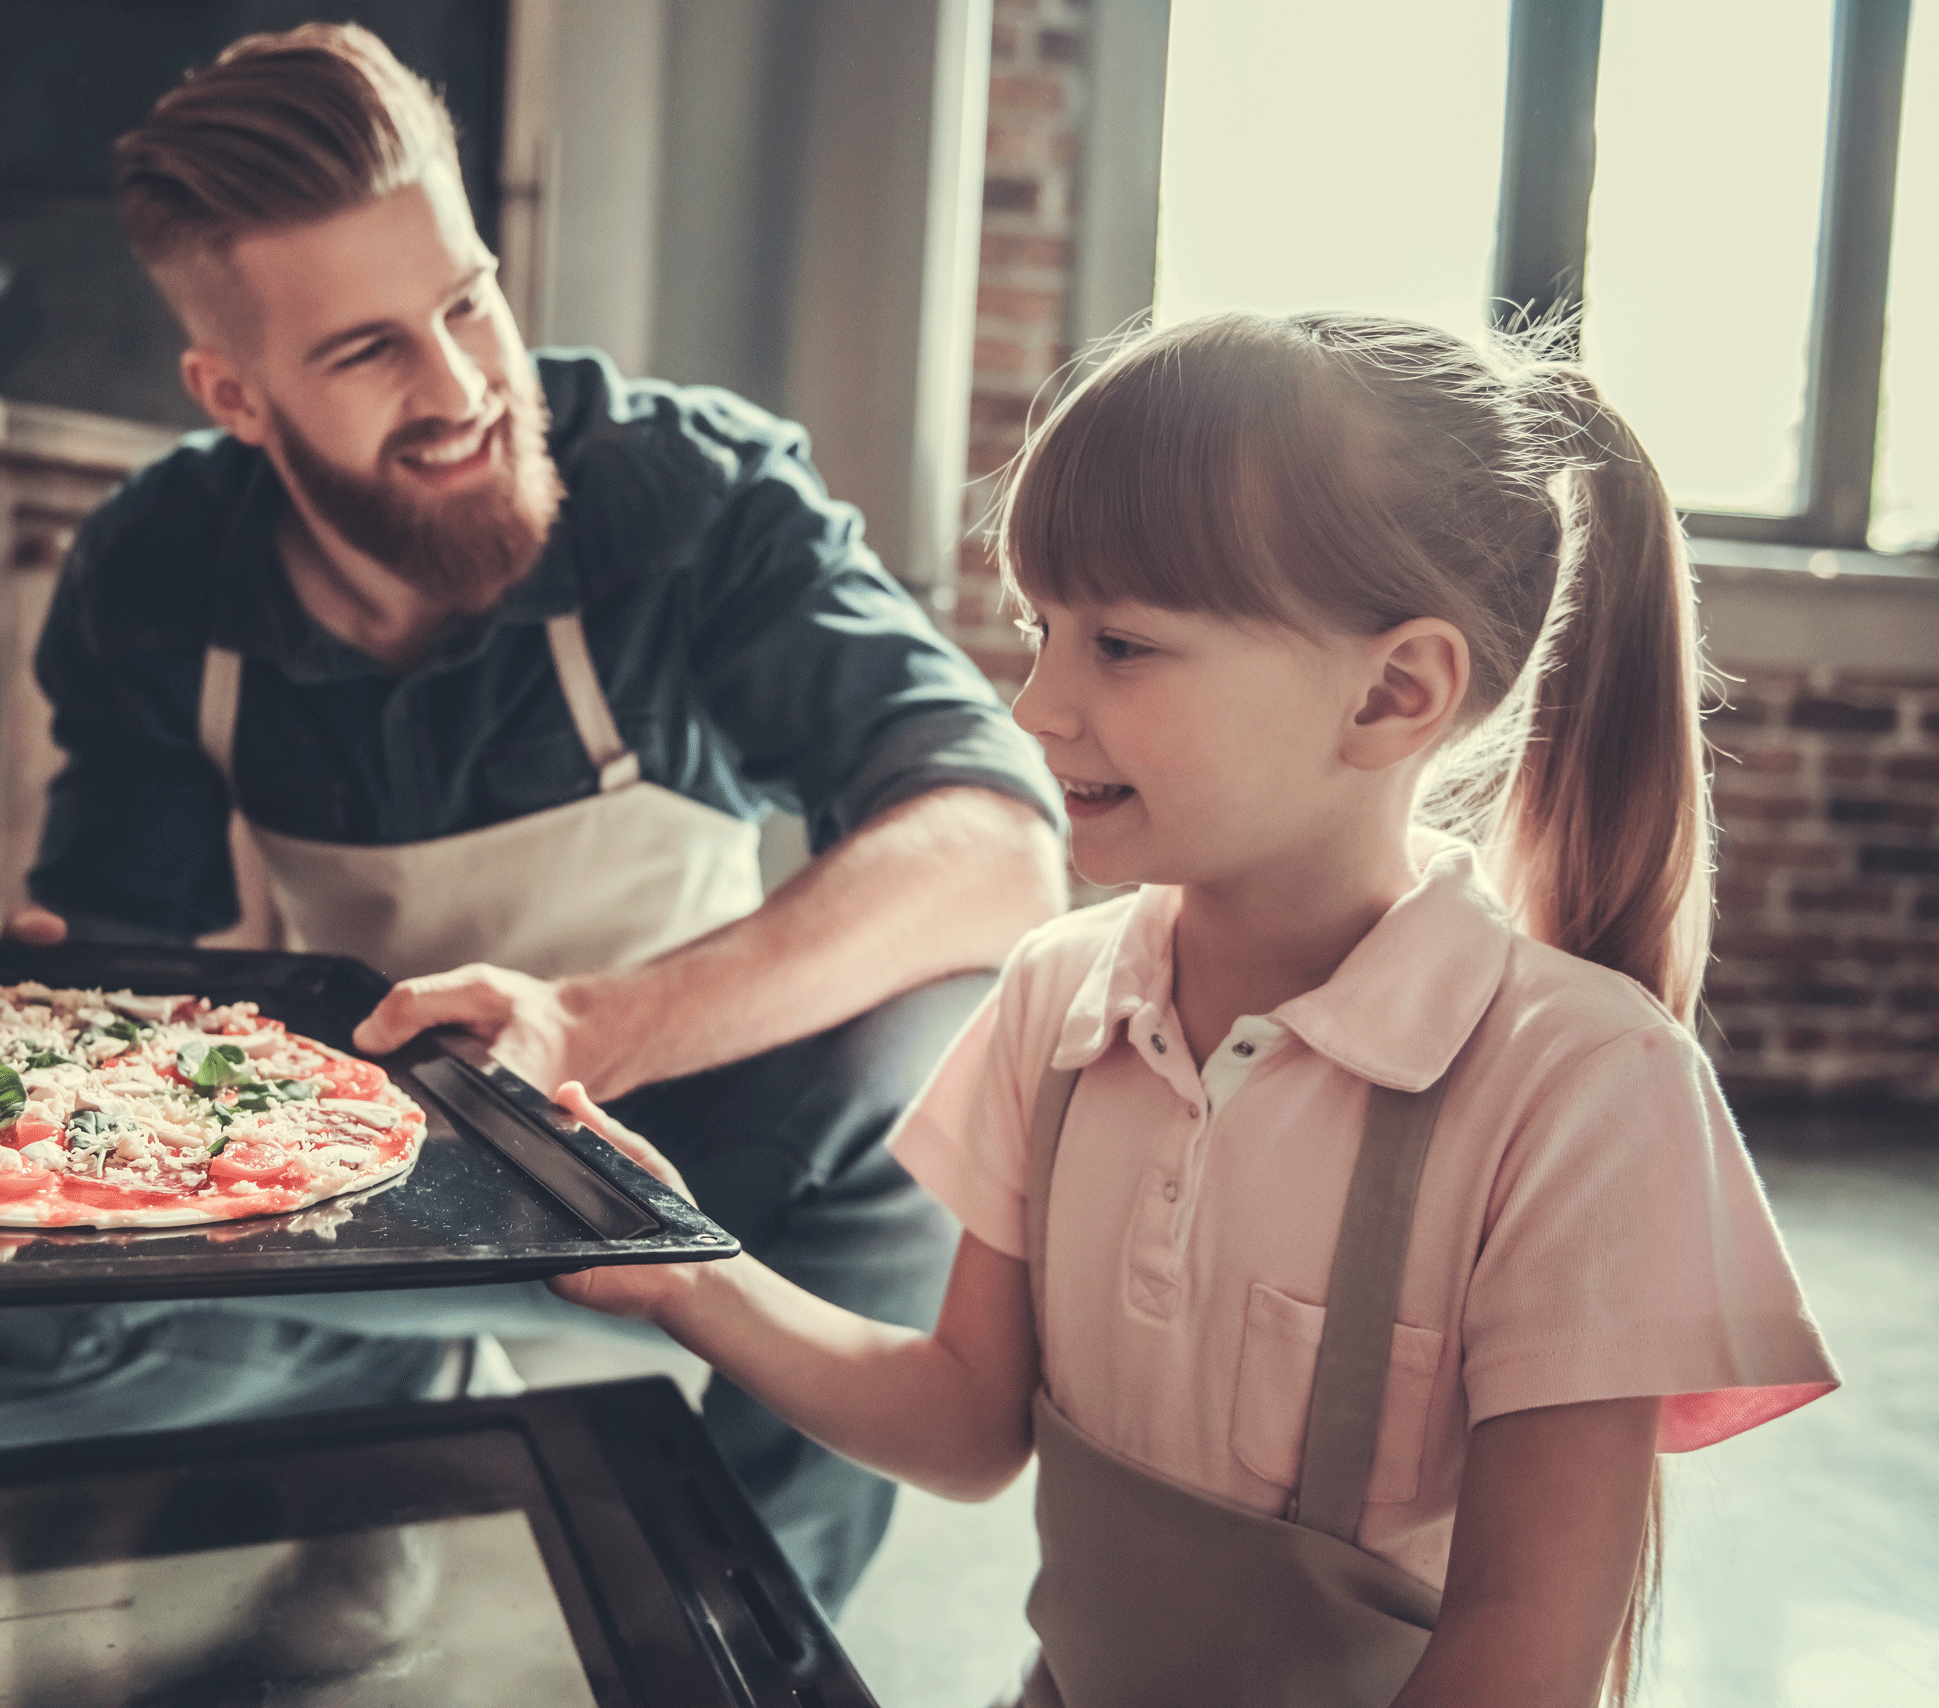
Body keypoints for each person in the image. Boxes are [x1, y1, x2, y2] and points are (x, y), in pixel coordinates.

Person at [0, 22, 1065, 1615]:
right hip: (349, 1182)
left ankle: (748, 1618)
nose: (466, 386)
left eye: (468, 302)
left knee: (924, 1067)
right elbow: (135, 956)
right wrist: (53, 1029)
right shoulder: (156, 571)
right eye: (368, 352)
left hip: (690, 1181)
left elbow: (999, 843)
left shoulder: (692, 502)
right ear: (234, 396)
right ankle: (371, 1432)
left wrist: (597, 1027)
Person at [545, 311, 1841, 1706]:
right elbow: (969, 1422)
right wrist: (687, 1271)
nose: (1035, 703)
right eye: (1043, 628)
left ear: (1395, 693)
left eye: (1121, 645)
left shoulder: (1580, 1083)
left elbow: (1526, 1643)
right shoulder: (1055, 997)